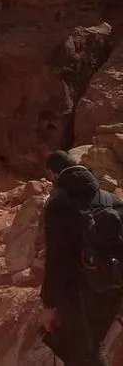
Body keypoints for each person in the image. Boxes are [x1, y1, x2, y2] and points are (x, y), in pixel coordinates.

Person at [40, 150, 123, 366]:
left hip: (78, 293)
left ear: (52, 174)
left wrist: (48, 304)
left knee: (84, 353)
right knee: (94, 346)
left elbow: (55, 259)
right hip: (113, 284)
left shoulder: (58, 206)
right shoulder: (111, 199)